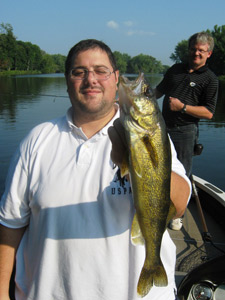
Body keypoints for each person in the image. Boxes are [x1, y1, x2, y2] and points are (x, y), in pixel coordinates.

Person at [0, 39, 191, 300]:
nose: (91, 79)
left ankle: (152, 265)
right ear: (67, 81)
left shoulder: (155, 135)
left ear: (115, 79)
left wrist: (136, 158)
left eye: (101, 71)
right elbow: (10, 224)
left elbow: (178, 205)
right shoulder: (36, 140)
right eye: (79, 72)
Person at [155, 32, 218, 230]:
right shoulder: (175, 69)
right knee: (158, 169)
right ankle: (158, 205)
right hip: (162, 128)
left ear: (209, 53)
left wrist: (182, 107)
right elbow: (158, 91)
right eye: (193, 49)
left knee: (182, 173)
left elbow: (208, 113)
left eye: (201, 50)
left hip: (185, 132)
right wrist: (138, 98)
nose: (196, 53)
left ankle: (177, 214)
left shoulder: (210, 79)